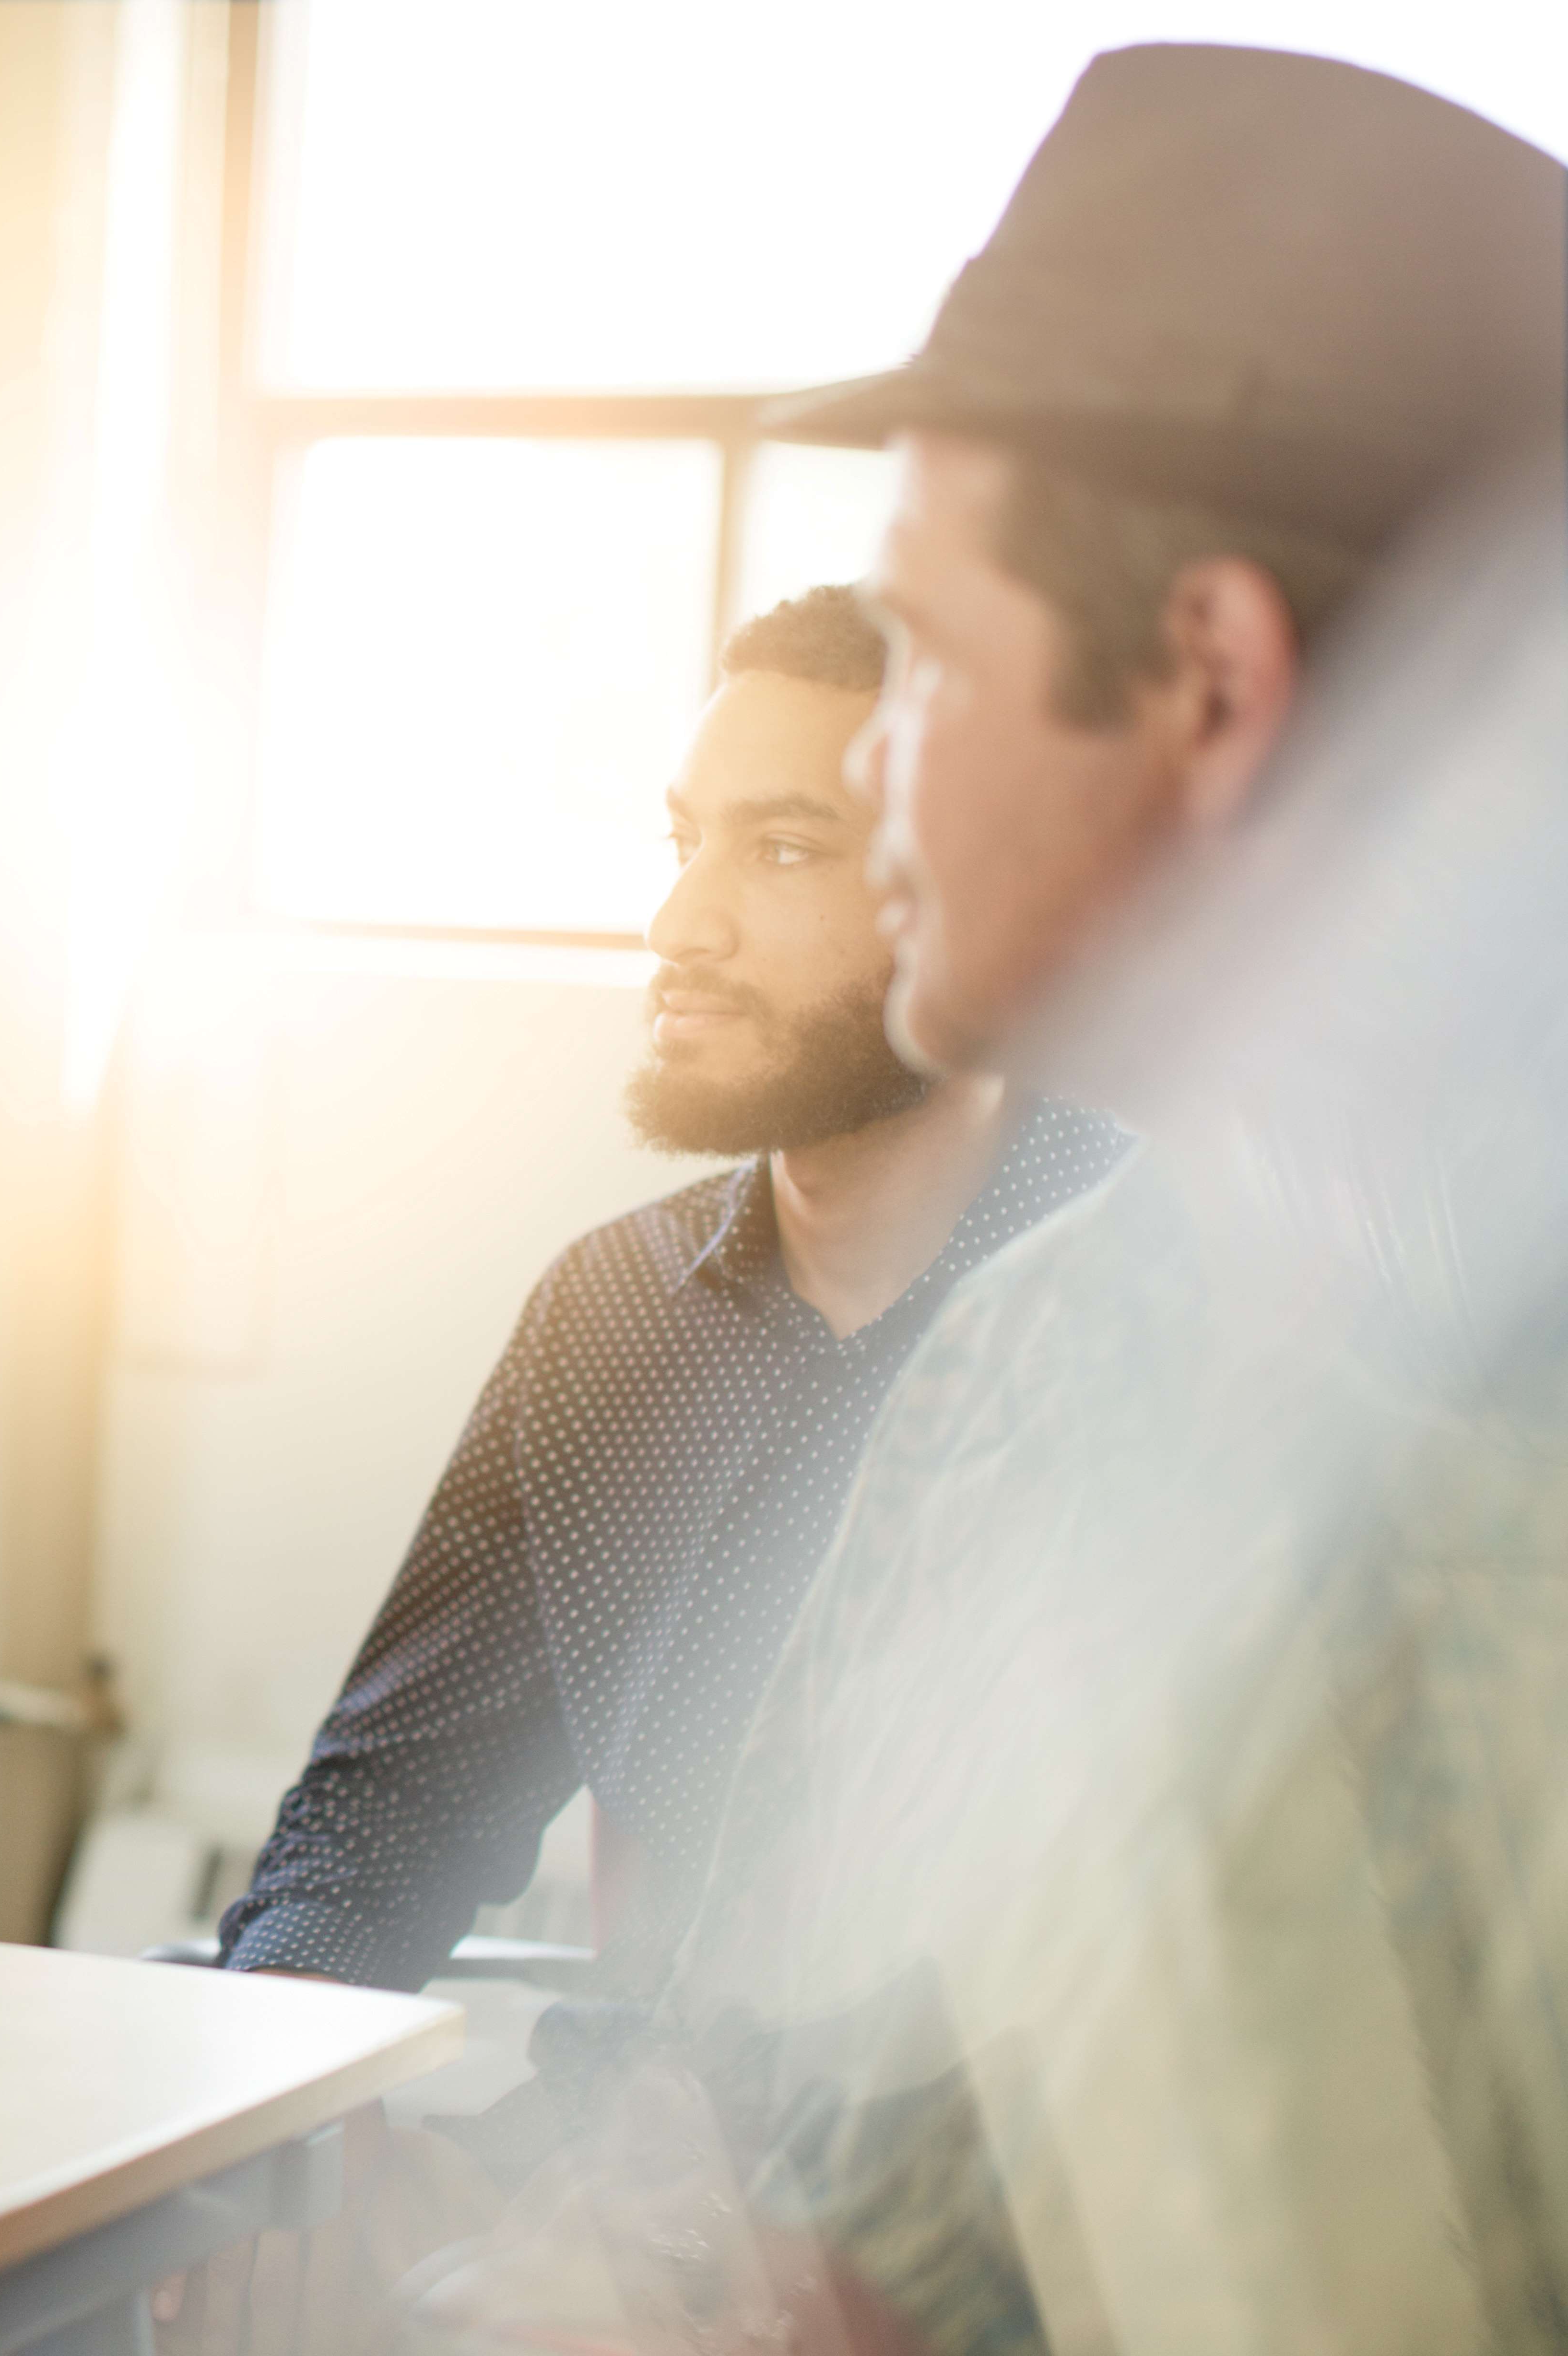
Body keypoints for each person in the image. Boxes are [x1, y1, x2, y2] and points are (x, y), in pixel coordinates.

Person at [398, 46, 1568, 2353]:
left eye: (921, 652)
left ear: (1212, 677)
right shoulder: (1028, 1375)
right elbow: (799, 2179)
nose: (871, 752)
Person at [215, 589, 1121, 1991]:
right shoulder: (612, 1320)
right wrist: (294, 2079)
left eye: (781, 848)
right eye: (685, 844)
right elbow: (386, 1815)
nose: (679, 923)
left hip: (974, 2192)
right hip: (619, 2175)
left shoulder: (1155, 1294)